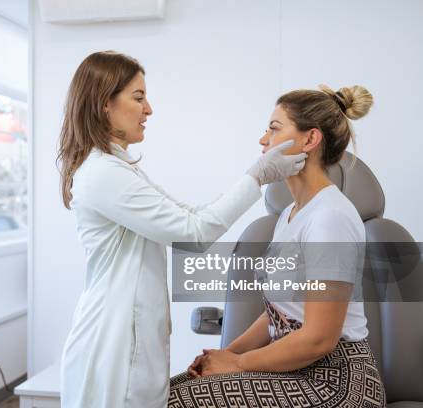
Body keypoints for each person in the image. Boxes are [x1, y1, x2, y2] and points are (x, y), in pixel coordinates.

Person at [57, 51, 307, 408]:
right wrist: (257, 176)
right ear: (104, 105)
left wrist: (257, 176)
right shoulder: (104, 174)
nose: (149, 110)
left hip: (126, 338)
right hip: (111, 345)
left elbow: (191, 215)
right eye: (139, 98)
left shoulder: (118, 169)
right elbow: (194, 233)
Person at [169, 84, 386, 408]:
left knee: (179, 402)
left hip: (336, 382)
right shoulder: (290, 215)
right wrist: (228, 353)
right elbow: (278, 316)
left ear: (310, 139)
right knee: (161, 393)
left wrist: (238, 364)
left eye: (273, 129)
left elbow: (319, 338)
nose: (262, 140)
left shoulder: (330, 217)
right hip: (294, 369)